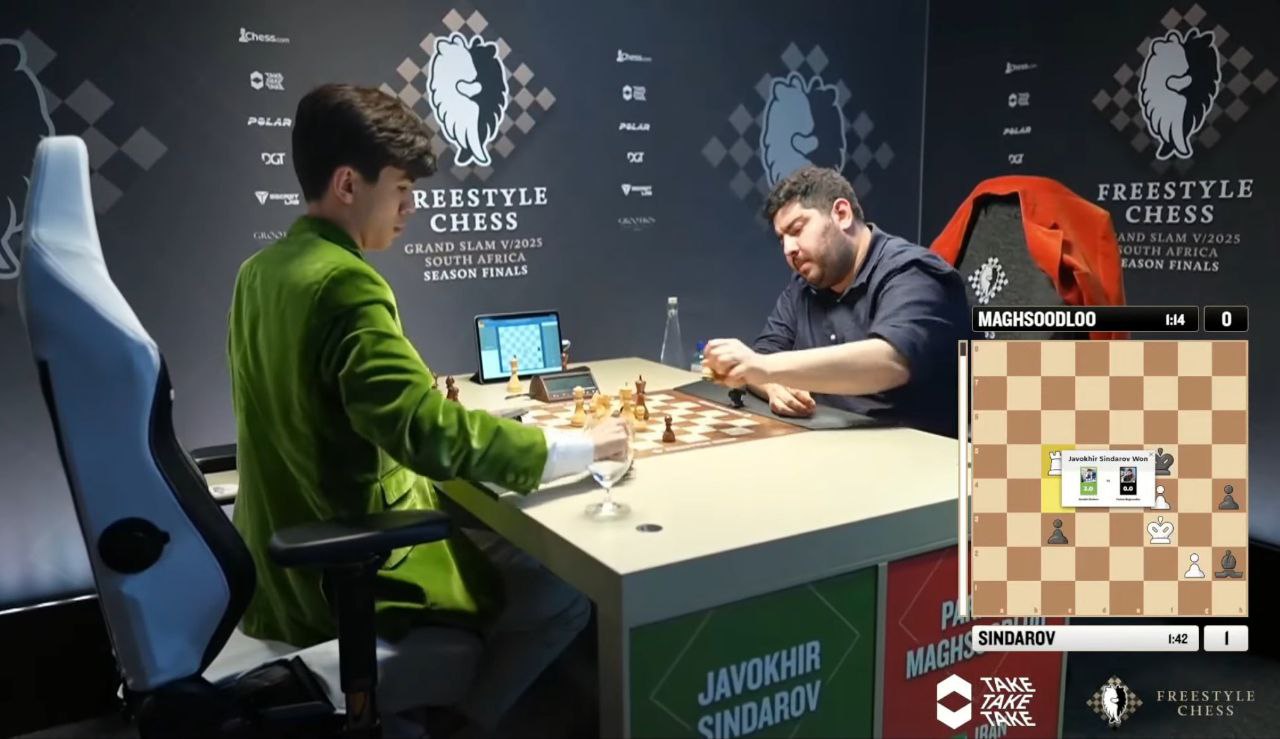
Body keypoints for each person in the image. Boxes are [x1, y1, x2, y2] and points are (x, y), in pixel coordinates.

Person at [226, 83, 628, 735]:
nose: (411, 206)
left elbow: (331, 410)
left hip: (274, 571)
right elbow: (426, 434)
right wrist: (584, 447)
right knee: (564, 594)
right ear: (348, 184)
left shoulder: (259, 272)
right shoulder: (344, 281)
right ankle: (455, 725)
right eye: (402, 188)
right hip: (347, 576)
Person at [702, 165, 969, 437]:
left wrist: (764, 369)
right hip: (827, 442)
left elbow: (890, 363)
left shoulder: (914, 272)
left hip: (916, 452)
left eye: (797, 229)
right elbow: (764, 355)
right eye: (782, 239)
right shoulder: (803, 286)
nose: (788, 249)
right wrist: (771, 385)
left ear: (841, 214)